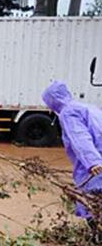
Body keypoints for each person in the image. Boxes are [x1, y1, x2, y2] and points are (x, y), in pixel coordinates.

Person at [42, 81, 102, 242]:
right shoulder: (87, 107)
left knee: (90, 202)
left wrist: (93, 162)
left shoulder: (68, 113)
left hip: (94, 165)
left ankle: (98, 237)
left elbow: (80, 137)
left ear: (52, 101)